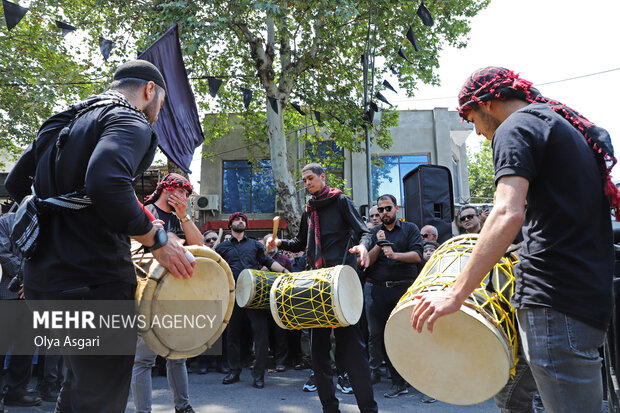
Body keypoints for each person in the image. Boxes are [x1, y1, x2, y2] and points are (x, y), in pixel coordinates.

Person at [411, 66, 617, 413]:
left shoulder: (515, 127)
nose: (475, 131)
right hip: (580, 296)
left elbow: (507, 213)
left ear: (488, 103)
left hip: (555, 301)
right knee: (510, 398)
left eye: (470, 117)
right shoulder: (558, 126)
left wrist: (455, 293)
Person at [6, 59, 195, 413]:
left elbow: (16, 184)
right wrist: (156, 241)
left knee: (77, 387)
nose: (158, 113)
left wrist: (61, 215)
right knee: (100, 399)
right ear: (149, 90)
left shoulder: (65, 119)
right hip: (92, 284)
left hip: (43, 285)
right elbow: (107, 183)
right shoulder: (128, 119)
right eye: (162, 105)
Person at [268, 163, 378, 413]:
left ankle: (369, 410)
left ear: (322, 177)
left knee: (353, 353)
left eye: (310, 178)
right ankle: (330, 409)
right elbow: (299, 243)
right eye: (304, 180)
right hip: (315, 284)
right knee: (318, 355)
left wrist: (362, 247)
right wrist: (278, 242)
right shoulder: (309, 209)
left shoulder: (340, 201)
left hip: (341, 284)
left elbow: (363, 231)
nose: (307, 183)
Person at [131, 173, 202, 413]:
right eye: (181, 192)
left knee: (177, 357)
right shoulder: (145, 213)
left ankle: (183, 407)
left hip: (176, 298)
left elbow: (199, 248)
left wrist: (185, 217)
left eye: (187, 194)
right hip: (148, 296)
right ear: (167, 190)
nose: (184, 197)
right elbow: (131, 251)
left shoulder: (181, 218)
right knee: (143, 360)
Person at [215, 213, 288, 389]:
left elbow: (269, 262)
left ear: (246, 225)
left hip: (255, 295)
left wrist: (286, 272)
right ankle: (234, 371)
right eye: (237, 220)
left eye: (243, 220)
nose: (240, 221)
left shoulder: (255, 244)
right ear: (230, 224)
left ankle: (259, 375)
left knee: (261, 337)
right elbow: (215, 269)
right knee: (232, 336)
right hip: (233, 295)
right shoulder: (222, 247)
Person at [364, 194, 423, 397]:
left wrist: (394, 254)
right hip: (380, 290)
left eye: (387, 208)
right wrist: (378, 246)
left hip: (404, 290)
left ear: (396, 208)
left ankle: (418, 378)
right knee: (384, 336)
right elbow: (367, 263)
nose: (384, 213)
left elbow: (417, 255)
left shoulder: (410, 229)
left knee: (408, 334)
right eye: (380, 210)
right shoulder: (374, 233)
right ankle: (397, 382)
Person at [0, 214, 42, 408]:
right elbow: (3, 253)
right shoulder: (5, 221)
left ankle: (16, 391)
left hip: (34, 294)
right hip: (9, 292)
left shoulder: (44, 220)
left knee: (26, 346)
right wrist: (27, 276)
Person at [261, 234, 293, 372]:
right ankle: (263, 361)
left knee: (280, 333)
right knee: (263, 333)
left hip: (280, 301)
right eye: (268, 242)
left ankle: (281, 361)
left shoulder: (285, 260)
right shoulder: (259, 259)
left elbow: (292, 278)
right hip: (262, 301)